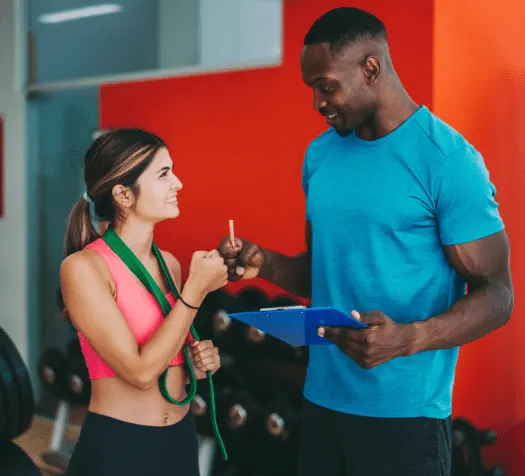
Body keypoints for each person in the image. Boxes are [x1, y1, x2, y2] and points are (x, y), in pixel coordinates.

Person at [218, 7, 514, 476]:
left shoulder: (448, 162)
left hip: (405, 419)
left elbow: (498, 297)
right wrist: (266, 264)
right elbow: (322, 270)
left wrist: (408, 339)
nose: (317, 102)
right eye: (312, 88)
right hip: (320, 406)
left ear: (370, 68)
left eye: (326, 85)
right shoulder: (320, 156)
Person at [60, 128, 228, 476]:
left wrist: (193, 364)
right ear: (123, 194)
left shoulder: (169, 264)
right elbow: (139, 373)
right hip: (120, 445)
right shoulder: (83, 268)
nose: (178, 183)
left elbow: (165, 358)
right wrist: (195, 291)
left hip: (180, 439)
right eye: (164, 174)